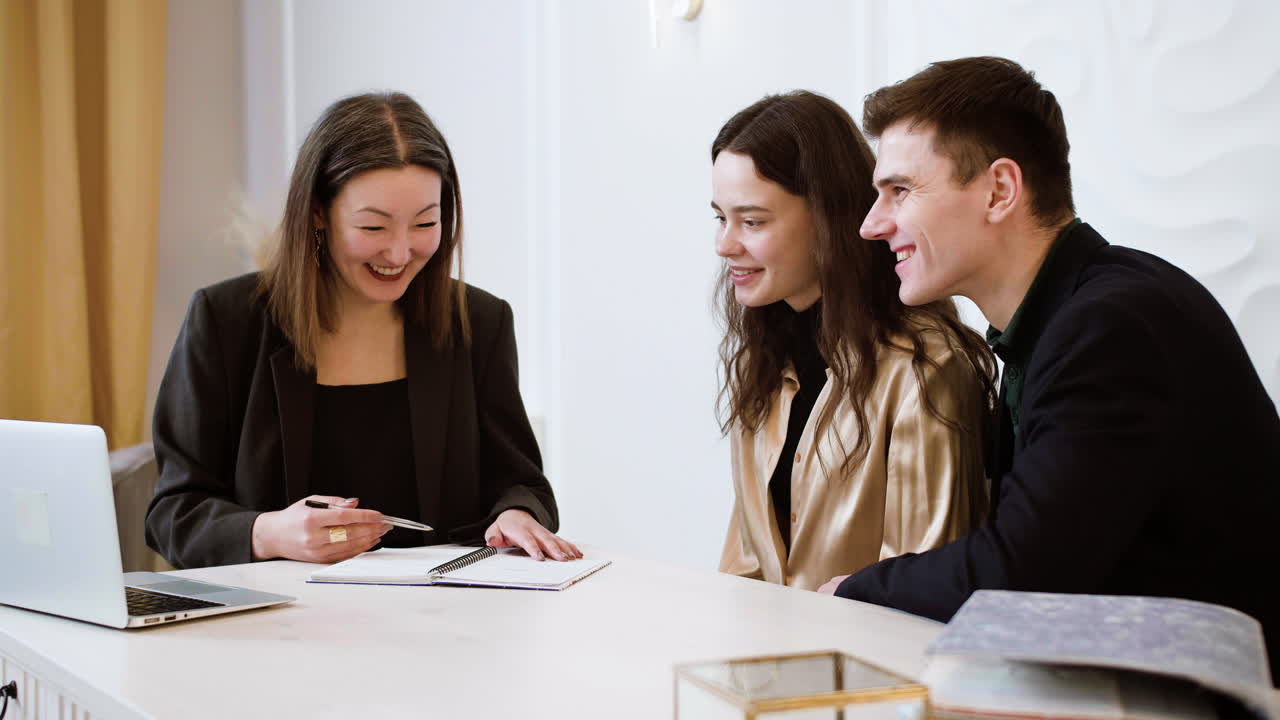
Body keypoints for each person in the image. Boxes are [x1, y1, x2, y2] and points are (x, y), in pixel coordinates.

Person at [821, 57, 1280, 680]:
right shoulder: (1078, 312)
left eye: (899, 191)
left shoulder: (1109, 326)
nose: (872, 225)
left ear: (1000, 191)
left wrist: (851, 589)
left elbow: (1022, 573)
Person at [146, 92, 579, 569]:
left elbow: (520, 481)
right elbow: (173, 513)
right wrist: (268, 533)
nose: (398, 253)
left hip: (445, 618)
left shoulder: (478, 322)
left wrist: (516, 513)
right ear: (317, 212)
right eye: (373, 228)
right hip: (277, 622)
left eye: (425, 223)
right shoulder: (226, 320)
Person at [711, 91, 998, 591]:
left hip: (880, 665)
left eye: (752, 221)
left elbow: (920, 586)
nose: (724, 244)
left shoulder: (925, 369)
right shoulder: (757, 364)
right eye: (721, 217)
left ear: (828, 218)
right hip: (768, 663)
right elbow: (744, 568)